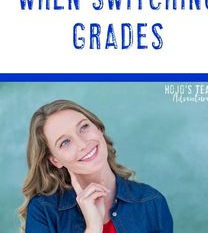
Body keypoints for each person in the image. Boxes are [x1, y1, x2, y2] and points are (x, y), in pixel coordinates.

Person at [19, 99, 173, 233]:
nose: (82, 144)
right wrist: (93, 228)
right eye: (65, 142)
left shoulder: (152, 202)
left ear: (99, 128)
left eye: (84, 127)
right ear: (55, 160)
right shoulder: (43, 211)